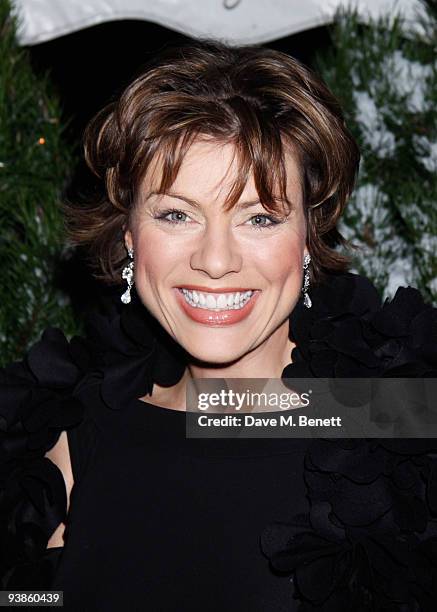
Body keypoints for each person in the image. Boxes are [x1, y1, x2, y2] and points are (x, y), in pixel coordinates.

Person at [1, 39, 436, 611]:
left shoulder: (402, 431)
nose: (215, 259)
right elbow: (30, 600)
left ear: (309, 237)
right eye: (176, 214)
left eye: (259, 217)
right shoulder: (79, 434)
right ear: (129, 234)